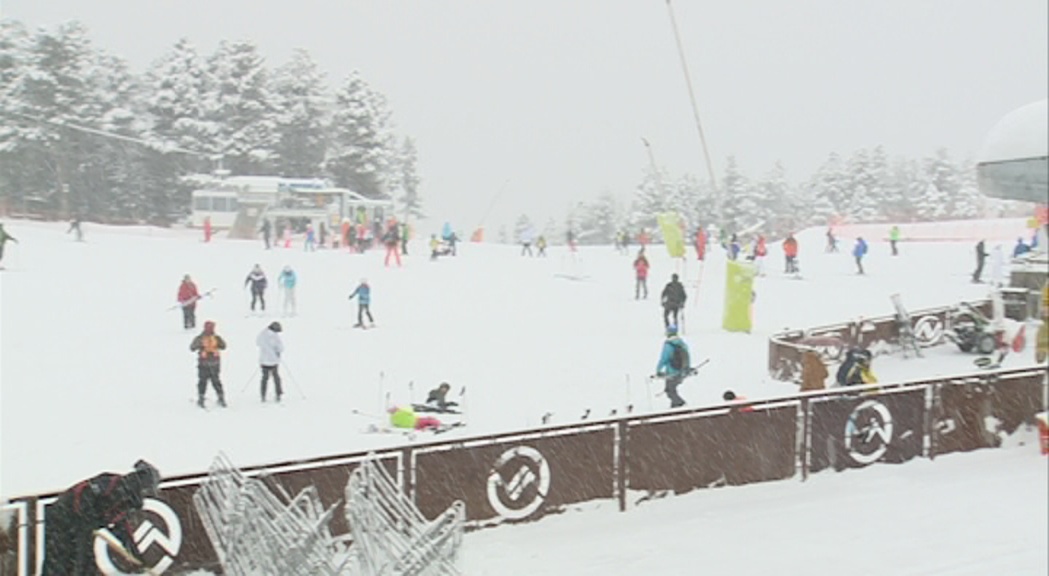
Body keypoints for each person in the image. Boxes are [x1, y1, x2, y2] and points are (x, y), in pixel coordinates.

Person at [41, 460, 161, 575]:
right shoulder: (112, 483)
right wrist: (87, 518)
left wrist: (137, 558)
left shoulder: (127, 501)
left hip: (80, 523)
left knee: (84, 562)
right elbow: (83, 492)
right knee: (62, 560)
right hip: (62, 516)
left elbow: (123, 530)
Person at [190, 320, 227, 408]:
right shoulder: (216, 338)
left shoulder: (200, 338)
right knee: (215, 381)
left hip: (205, 363)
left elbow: (192, 348)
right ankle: (220, 398)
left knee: (204, 382)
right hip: (214, 363)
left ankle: (202, 399)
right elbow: (223, 346)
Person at [655, 324, 691, 408]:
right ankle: (675, 407)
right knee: (672, 389)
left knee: (670, 391)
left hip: (672, 371)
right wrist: (686, 368)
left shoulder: (668, 345)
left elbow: (664, 358)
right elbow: (687, 357)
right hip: (681, 371)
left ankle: (681, 404)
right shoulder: (682, 343)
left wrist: (658, 370)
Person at [256, 322, 284, 402]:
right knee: (276, 377)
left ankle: (263, 394)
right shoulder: (275, 336)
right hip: (273, 360)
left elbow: (257, 343)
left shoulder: (262, 334)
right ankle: (278, 393)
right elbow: (280, 347)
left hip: (263, 360)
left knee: (264, 378)